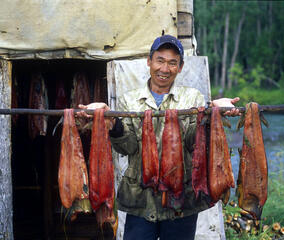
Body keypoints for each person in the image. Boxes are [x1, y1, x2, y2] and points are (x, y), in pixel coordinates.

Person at [79, 35, 240, 240]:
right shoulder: (129, 100)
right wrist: (113, 125)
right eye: (160, 60)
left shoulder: (193, 99)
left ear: (180, 67)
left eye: (173, 63)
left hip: (181, 200)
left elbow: (194, 143)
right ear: (149, 61)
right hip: (140, 200)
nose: (165, 69)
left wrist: (212, 113)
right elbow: (127, 148)